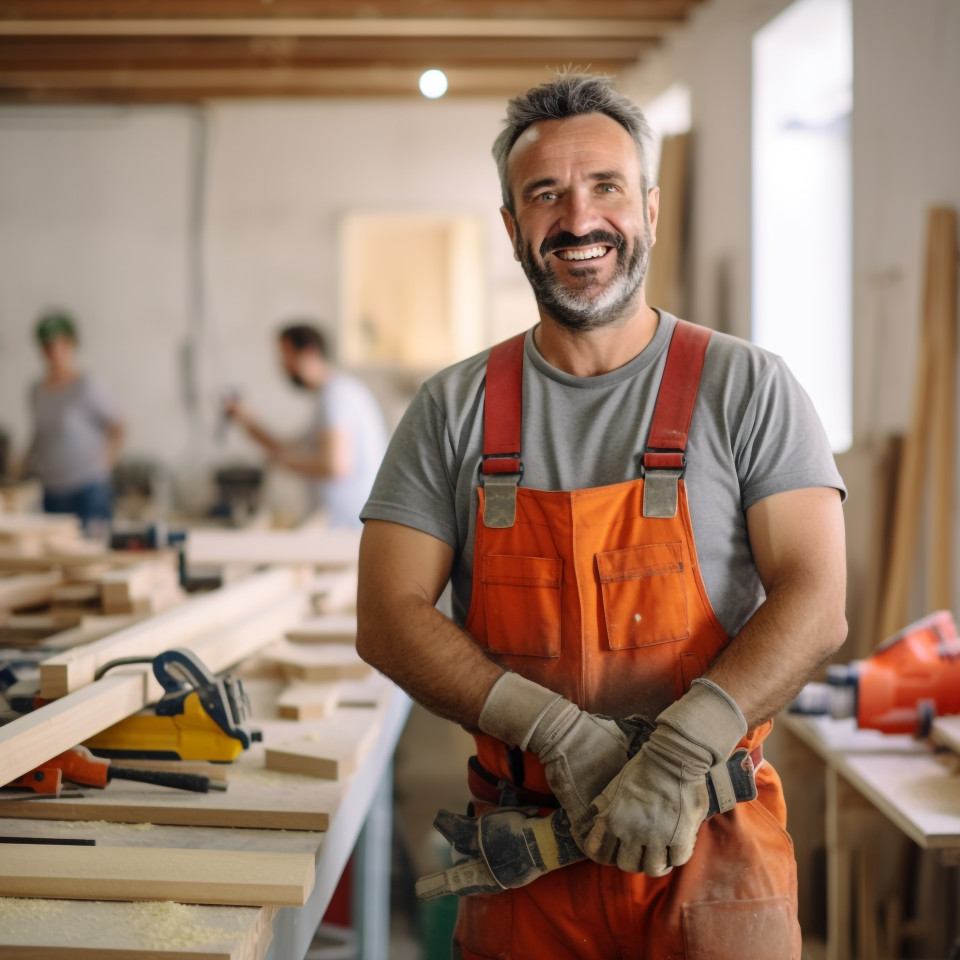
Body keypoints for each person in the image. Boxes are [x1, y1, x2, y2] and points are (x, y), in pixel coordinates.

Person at [356, 73, 847, 959]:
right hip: (528, 866)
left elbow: (817, 600)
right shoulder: (453, 408)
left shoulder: (747, 387)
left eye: (605, 187)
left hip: (712, 851)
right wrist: (552, 731)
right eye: (545, 194)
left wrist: (683, 747)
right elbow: (387, 617)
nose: (578, 218)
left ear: (650, 208)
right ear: (512, 226)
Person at [224, 322, 388, 529]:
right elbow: (286, 449)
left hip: (346, 527)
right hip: (343, 526)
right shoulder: (337, 393)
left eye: (287, 355)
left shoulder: (336, 396)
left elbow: (334, 465)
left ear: (309, 353)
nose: (283, 365)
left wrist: (281, 462)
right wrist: (245, 419)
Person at [19, 310, 125, 529]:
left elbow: (118, 427)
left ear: (70, 344)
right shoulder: (37, 391)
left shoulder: (88, 386)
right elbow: (40, 434)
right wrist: (19, 467)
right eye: (47, 345)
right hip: (51, 488)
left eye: (59, 343)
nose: (53, 351)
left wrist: (103, 464)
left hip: (86, 488)